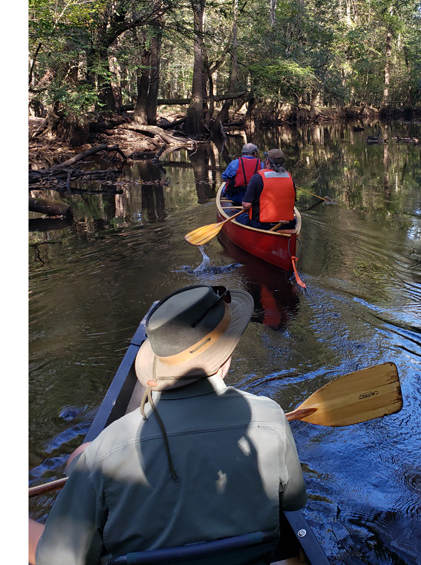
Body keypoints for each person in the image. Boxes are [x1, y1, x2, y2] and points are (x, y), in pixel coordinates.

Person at [29, 284, 307, 565]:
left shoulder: (105, 450)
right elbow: (293, 501)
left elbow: (58, 559)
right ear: (226, 358)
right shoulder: (270, 417)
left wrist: (84, 464)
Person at [239, 149, 297, 230]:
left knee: (239, 217)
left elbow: (246, 205)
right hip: (288, 224)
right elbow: (293, 201)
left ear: (267, 162)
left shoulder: (257, 178)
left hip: (262, 225)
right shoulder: (290, 178)